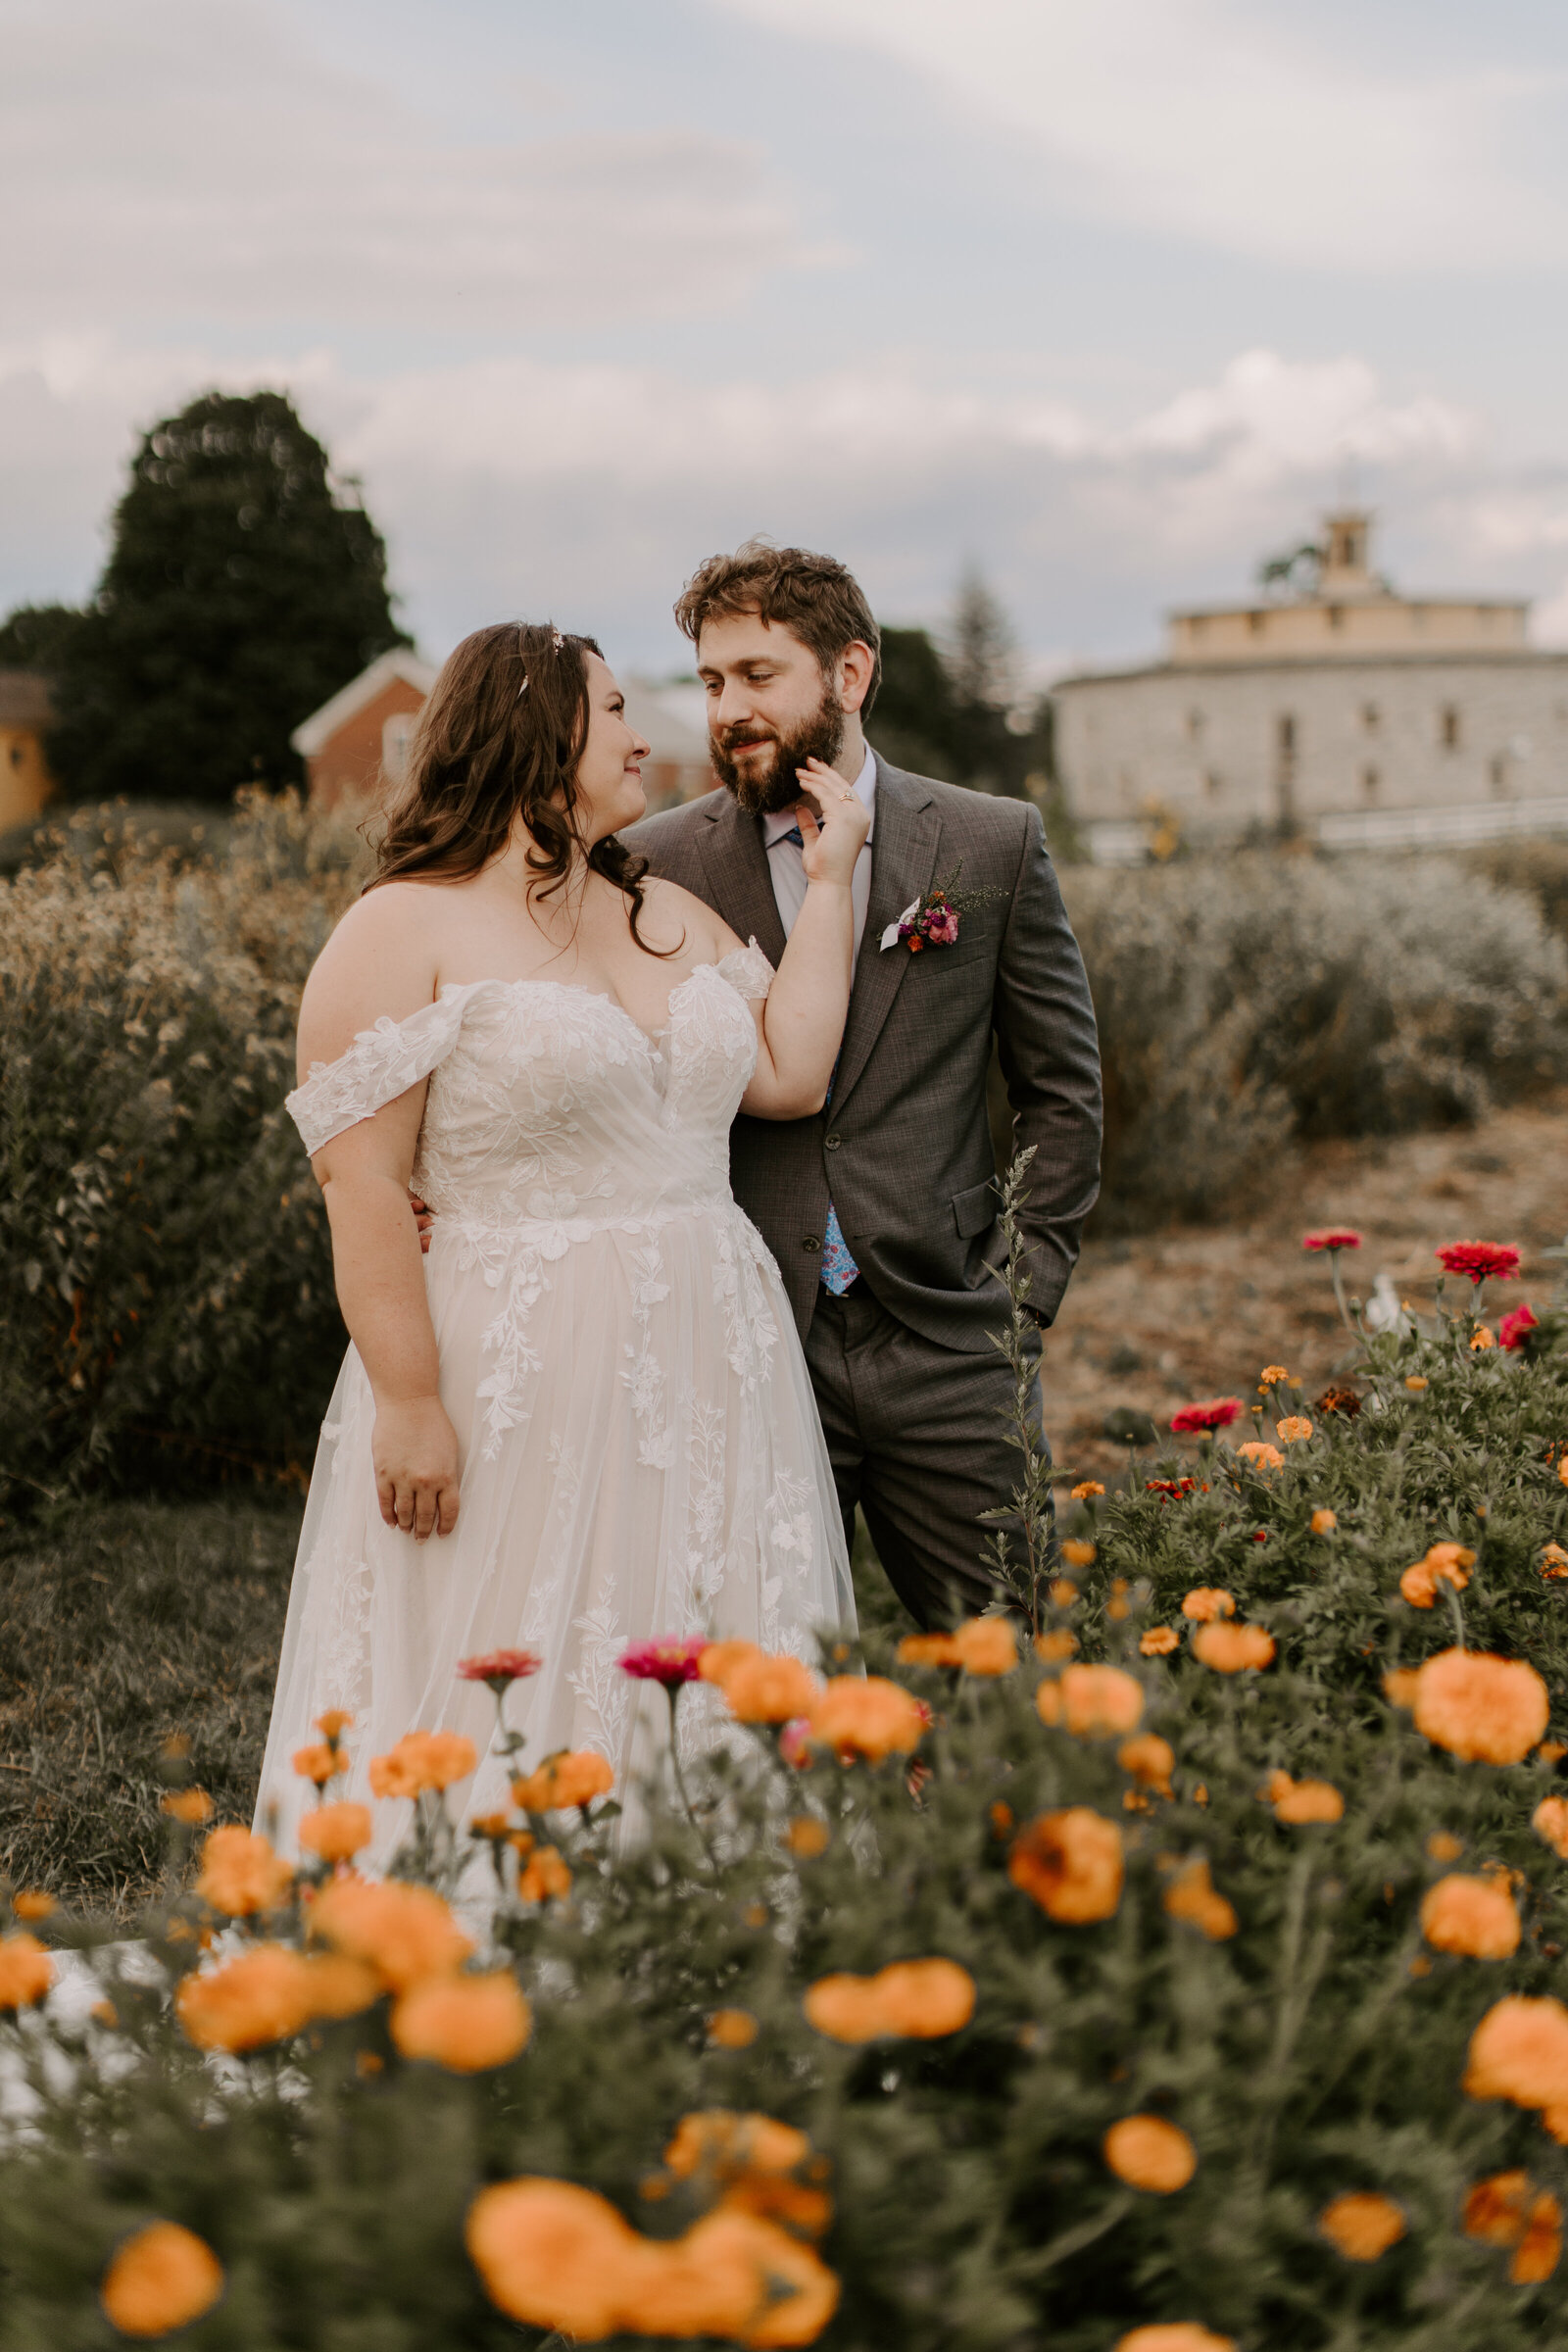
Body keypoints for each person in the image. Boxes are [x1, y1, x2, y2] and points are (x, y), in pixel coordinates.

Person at [253, 622, 862, 1862]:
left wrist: (837, 880)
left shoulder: (663, 915)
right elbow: (360, 1181)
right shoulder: (400, 927)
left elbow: (789, 1074)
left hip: (708, 1350)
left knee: (695, 1618)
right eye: (617, 711)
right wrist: (408, 1399)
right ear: (536, 736)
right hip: (512, 1360)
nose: (647, 736)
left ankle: (703, 1911)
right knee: (531, 1628)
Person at [625, 543, 1102, 1630]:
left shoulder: (990, 842)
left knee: (1008, 1672)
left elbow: (1061, 1089)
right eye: (709, 681)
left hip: (951, 1340)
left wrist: (1018, 1299)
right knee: (763, 1690)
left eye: (757, 676)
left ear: (849, 674)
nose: (728, 709)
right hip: (748, 1341)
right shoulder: (658, 863)